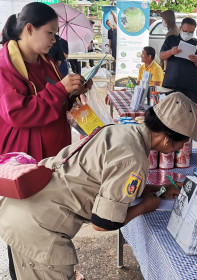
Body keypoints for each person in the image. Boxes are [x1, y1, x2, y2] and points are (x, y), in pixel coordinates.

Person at [0, 92, 197, 280]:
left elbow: (109, 181)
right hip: (38, 231)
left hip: (24, 207)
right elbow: (103, 223)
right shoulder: (134, 158)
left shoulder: (121, 131)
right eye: (184, 141)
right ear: (167, 140)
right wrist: (145, 207)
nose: (182, 147)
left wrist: (156, 190)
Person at [0, 3, 92, 279]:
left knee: (49, 220)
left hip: (52, 157)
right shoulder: (4, 66)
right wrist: (59, 90)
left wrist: (74, 92)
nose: (54, 40)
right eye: (51, 33)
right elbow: (18, 113)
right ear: (29, 29)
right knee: (21, 227)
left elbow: (56, 99)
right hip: (21, 160)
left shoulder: (48, 61)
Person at [160, 17, 197, 104]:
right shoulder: (171, 39)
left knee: (190, 112)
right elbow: (161, 56)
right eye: (185, 31)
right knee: (169, 110)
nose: (188, 34)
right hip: (171, 84)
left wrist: (196, 60)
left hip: (189, 86)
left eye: (191, 32)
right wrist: (171, 52)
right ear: (180, 29)